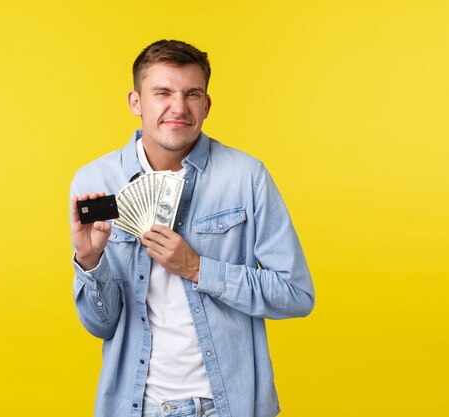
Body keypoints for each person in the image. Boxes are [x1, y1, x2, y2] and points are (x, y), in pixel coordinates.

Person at [70, 39, 314, 417]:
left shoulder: (247, 177)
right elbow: (101, 326)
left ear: (206, 104)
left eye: (192, 94)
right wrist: (89, 261)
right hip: (137, 407)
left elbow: (296, 294)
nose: (178, 107)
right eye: (163, 92)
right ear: (136, 102)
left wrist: (198, 268)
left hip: (228, 405)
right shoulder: (95, 180)